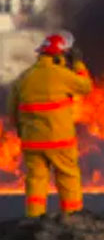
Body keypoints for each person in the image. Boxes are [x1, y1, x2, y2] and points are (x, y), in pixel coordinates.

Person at [6, 32, 93, 217]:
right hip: (59, 141)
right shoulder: (62, 75)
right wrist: (78, 64)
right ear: (61, 55)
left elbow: (12, 110)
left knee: (36, 181)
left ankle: (34, 219)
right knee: (67, 178)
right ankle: (72, 218)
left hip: (32, 142)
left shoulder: (24, 77)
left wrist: (22, 131)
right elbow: (85, 87)